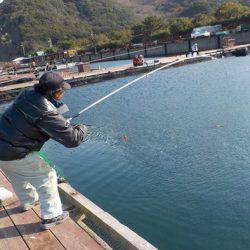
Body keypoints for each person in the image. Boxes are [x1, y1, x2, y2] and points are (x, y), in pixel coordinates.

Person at [0, 72, 88, 230]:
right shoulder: (47, 113)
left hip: (3, 149)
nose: (61, 95)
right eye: (60, 92)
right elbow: (73, 140)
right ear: (50, 93)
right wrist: (82, 128)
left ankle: (28, 201)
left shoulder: (27, 94)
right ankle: (52, 216)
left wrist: (58, 119)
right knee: (47, 176)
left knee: (18, 176)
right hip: (13, 151)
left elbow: (37, 116)